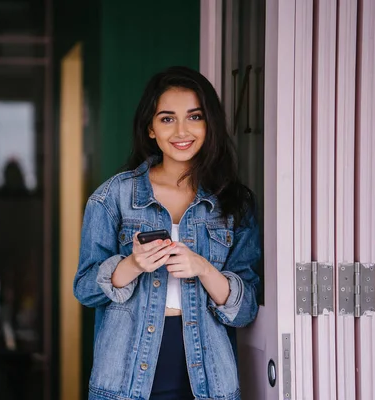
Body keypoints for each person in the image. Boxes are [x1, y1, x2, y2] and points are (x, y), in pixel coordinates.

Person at [74, 66, 261, 400]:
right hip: (125, 380)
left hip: (209, 381)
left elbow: (245, 310)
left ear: (209, 124)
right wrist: (131, 265)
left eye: (194, 116)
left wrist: (202, 268)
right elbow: (85, 289)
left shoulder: (234, 203)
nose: (181, 131)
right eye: (167, 118)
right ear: (150, 128)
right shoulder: (111, 198)